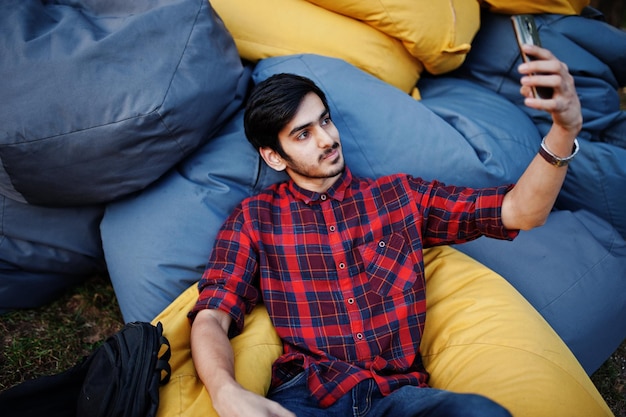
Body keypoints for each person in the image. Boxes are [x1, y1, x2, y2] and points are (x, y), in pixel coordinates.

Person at [188, 44, 581, 417]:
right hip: (308, 396)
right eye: (303, 134)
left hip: (398, 398)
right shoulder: (255, 218)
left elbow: (518, 211)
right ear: (274, 156)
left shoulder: (399, 197)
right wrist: (227, 391)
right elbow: (211, 316)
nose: (327, 139)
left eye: (325, 120)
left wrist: (564, 128)